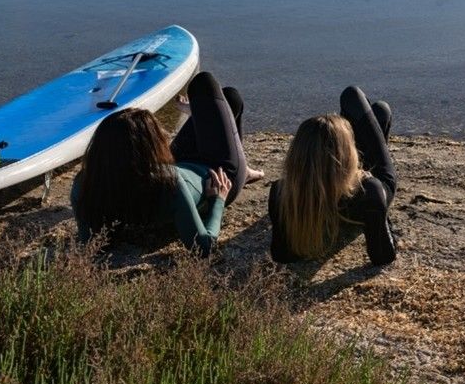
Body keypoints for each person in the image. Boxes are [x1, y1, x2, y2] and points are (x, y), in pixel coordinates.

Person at [71, 71, 258, 256]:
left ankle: (198, 114)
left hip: (176, 163)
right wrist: (218, 200)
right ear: (147, 150)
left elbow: (92, 243)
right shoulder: (170, 183)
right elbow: (203, 247)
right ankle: (244, 171)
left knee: (223, 103)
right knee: (218, 90)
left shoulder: (86, 184)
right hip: (220, 174)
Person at [269, 85, 397, 266]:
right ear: (351, 154)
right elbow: (383, 257)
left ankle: (333, 148)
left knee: (376, 112)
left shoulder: (281, 191)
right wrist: (380, 210)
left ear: (296, 156)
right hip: (360, 191)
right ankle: (341, 145)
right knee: (372, 104)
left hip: (329, 191)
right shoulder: (370, 190)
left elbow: (281, 254)